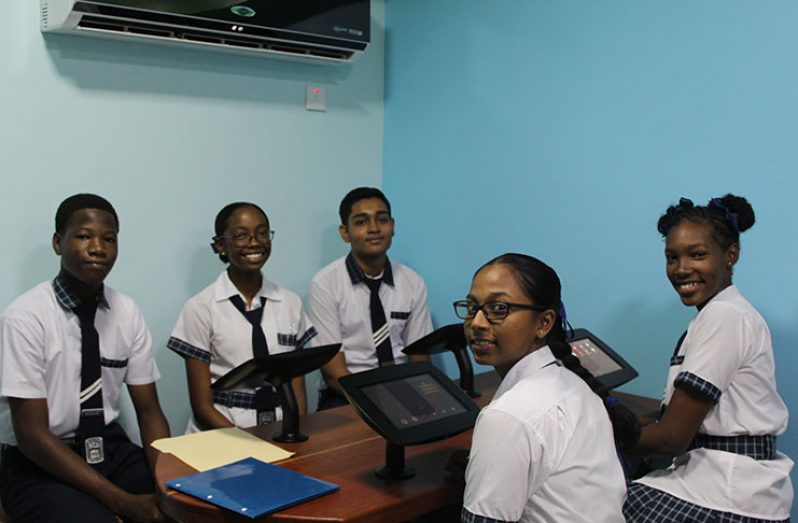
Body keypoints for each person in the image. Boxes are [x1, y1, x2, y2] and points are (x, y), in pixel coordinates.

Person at [0, 193, 170, 523]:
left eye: (109, 239)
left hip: (109, 448)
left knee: (184, 507)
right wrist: (122, 502)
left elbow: (149, 412)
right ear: (57, 243)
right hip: (40, 459)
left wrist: (171, 483)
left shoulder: (126, 311)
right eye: (83, 236)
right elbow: (32, 435)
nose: (97, 248)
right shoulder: (25, 317)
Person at [624, 195, 793, 522]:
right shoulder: (715, 316)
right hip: (727, 479)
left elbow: (672, 438)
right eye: (671, 257)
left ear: (731, 255)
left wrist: (596, 436)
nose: (681, 269)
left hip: (728, 488)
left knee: (589, 501)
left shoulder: (725, 316)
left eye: (697, 255)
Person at [455, 253, 637, 523]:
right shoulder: (574, 384)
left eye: (498, 308)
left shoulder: (508, 416)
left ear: (544, 323)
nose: (477, 323)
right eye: (472, 307)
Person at [168, 202, 316, 432]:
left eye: (262, 233)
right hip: (223, 430)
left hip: (280, 427)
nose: (254, 242)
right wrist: (248, 445)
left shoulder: (290, 303)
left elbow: (296, 384)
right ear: (220, 245)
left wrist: (295, 429)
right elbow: (202, 406)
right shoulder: (200, 307)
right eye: (241, 235)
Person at [308, 187, 433, 410]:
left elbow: (419, 357)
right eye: (361, 222)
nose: (374, 228)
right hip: (346, 392)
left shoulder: (413, 282)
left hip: (403, 389)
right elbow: (333, 372)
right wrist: (380, 405)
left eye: (382, 220)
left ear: (392, 226)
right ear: (345, 233)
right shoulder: (326, 284)